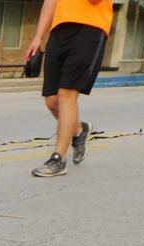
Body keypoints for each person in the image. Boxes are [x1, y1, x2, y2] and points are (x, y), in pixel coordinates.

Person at [27, 0, 114, 177]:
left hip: (90, 28)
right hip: (59, 30)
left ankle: (59, 159)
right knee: (52, 100)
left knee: (66, 93)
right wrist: (38, 36)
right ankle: (79, 129)